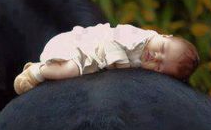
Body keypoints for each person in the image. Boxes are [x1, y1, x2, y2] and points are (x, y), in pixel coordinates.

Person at [14, 23, 200, 95]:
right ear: (164, 35)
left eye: (160, 66)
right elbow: (112, 41)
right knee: (70, 70)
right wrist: (119, 64)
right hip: (85, 48)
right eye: (163, 48)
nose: (156, 56)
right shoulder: (138, 37)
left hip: (95, 60)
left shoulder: (144, 61)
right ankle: (37, 72)